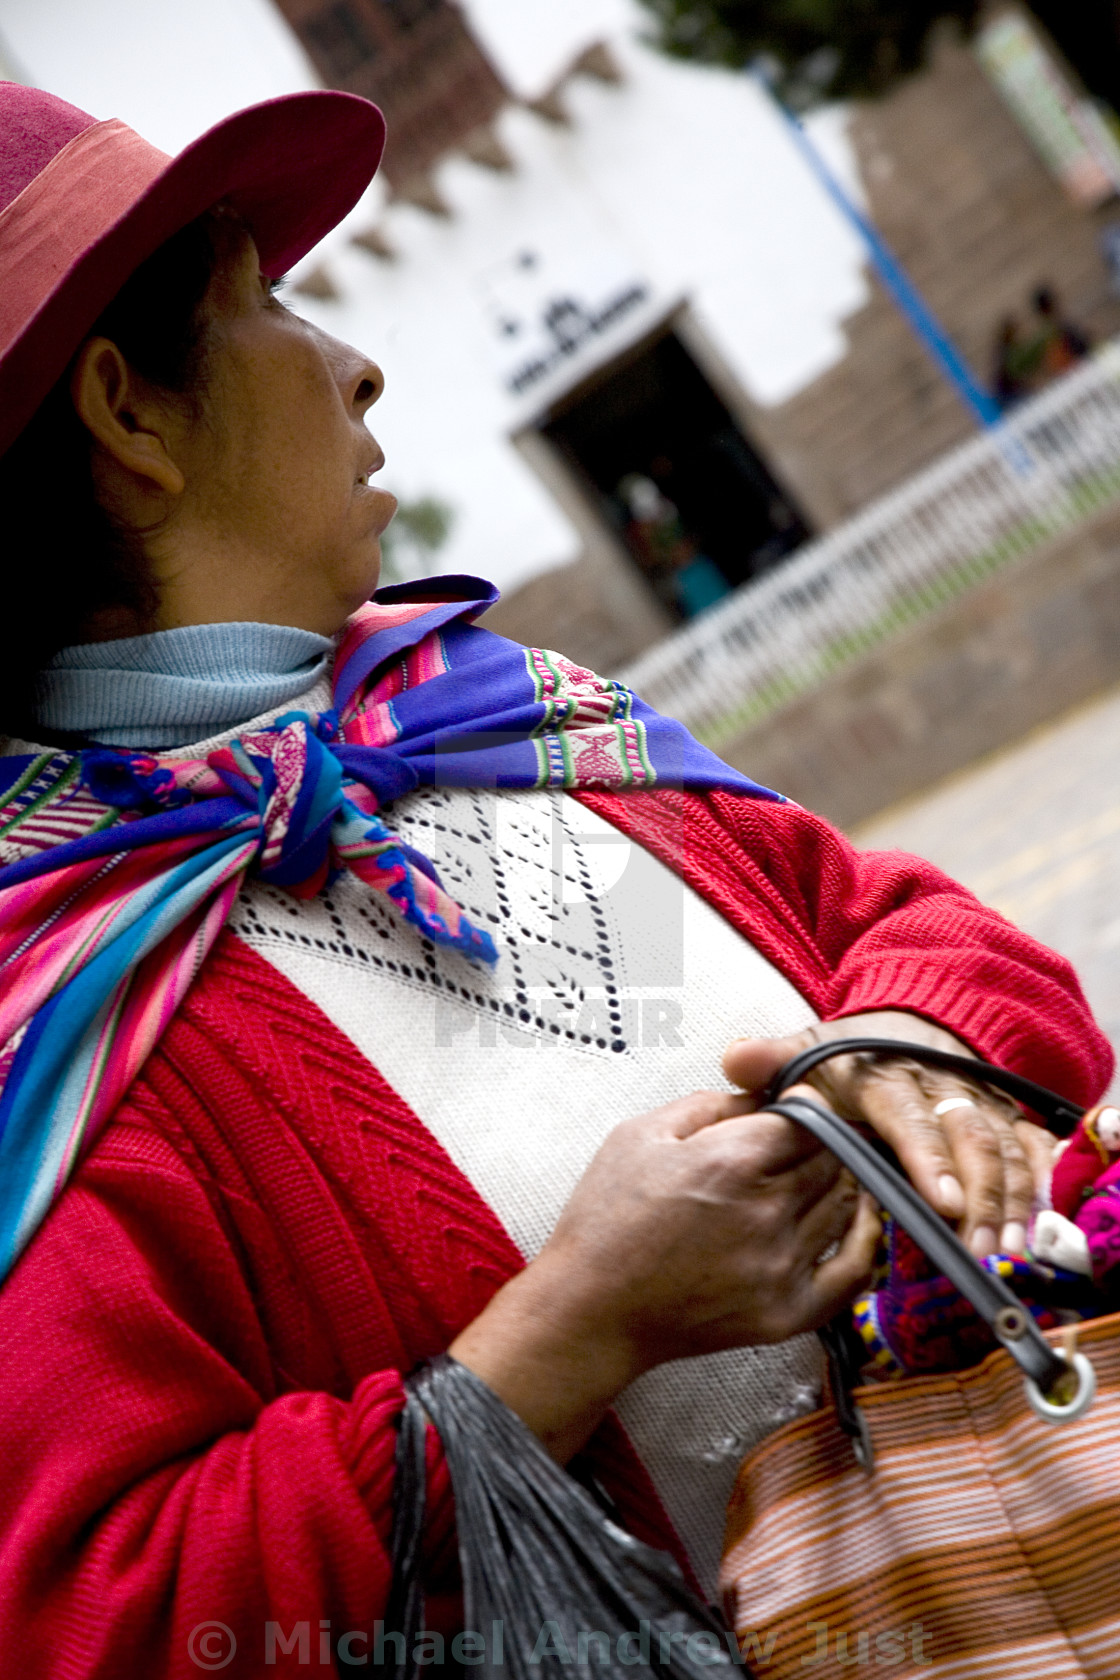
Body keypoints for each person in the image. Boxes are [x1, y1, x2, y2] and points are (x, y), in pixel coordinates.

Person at [0, 82, 1111, 1675]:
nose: (356, 364)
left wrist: (903, 1059)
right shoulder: (59, 1036)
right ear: (128, 414)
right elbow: (106, 1620)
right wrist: (575, 1331)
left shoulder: (483, 734)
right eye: (275, 303)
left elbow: (902, 937)